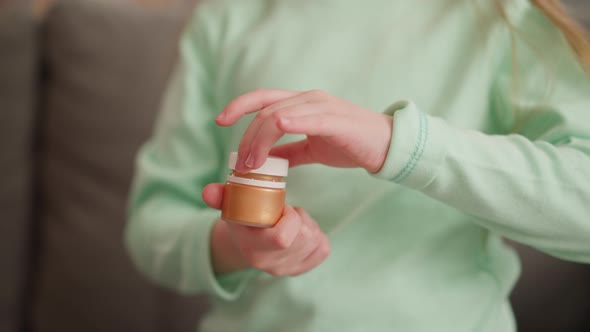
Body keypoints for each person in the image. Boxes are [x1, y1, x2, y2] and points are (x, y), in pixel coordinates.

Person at [125, 0, 590, 331]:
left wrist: (400, 144)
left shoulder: (503, 16)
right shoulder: (224, 18)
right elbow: (152, 223)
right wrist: (234, 245)